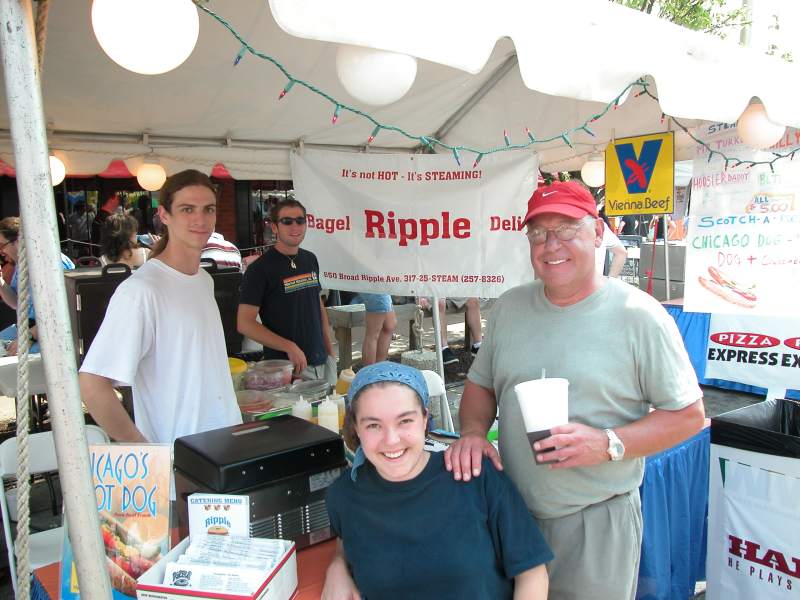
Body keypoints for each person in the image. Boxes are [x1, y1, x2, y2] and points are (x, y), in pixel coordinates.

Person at [444, 180, 705, 600]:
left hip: (596, 523)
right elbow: (480, 385)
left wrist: (608, 444)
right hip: (512, 516)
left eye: (566, 228)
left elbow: (689, 415)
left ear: (598, 233)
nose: (551, 245)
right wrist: (473, 433)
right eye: (538, 233)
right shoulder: (510, 308)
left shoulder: (639, 315)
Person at [323, 362, 552, 600]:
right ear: (356, 428)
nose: (391, 440)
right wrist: (337, 565)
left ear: (424, 418)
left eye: (405, 421)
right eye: (373, 425)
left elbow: (532, 574)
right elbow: (348, 535)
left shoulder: (475, 475)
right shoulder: (344, 495)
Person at [79, 170, 241, 445]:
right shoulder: (140, 291)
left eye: (208, 209)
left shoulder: (203, 280)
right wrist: (147, 455)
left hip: (225, 446)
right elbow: (92, 384)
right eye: (187, 209)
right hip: (180, 460)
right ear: (164, 215)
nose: (200, 219)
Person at [237, 198, 335, 384]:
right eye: (287, 221)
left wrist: (329, 351)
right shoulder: (259, 269)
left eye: (300, 220)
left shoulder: (310, 259)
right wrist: (288, 346)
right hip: (287, 370)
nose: (295, 226)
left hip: (322, 362)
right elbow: (244, 323)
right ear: (274, 227)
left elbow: (317, 304)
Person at [0, 217, 75, 355]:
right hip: (26, 329)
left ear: (17, 241)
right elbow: (17, 303)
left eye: (1, 245)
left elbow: (57, 314)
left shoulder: (50, 264)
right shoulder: (20, 264)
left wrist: (28, 337)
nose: (1, 252)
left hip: (51, 337)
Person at [418, 297, 485, 364]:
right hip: (429, 290)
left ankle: (477, 345)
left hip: (446, 290)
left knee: (473, 299)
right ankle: (443, 349)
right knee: (439, 302)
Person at [349, 293, 396, 365]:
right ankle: (369, 373)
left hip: (381, 287)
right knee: (372, 334)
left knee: (389, 325)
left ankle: (378, 368)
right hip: (377, 286)